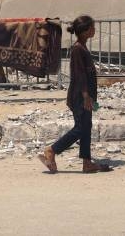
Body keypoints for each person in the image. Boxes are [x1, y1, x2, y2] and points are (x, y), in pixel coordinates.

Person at [39, 15, 111, 174]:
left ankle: (87, 162)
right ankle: (52, 150)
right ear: (85, 31)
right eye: (92, 27)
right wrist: (86, 96)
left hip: (85, 95)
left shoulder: (82, 47)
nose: (94, 30)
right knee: (81, 128)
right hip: (80, 96)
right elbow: (79, 75)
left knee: (86, 127)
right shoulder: (78, 49)